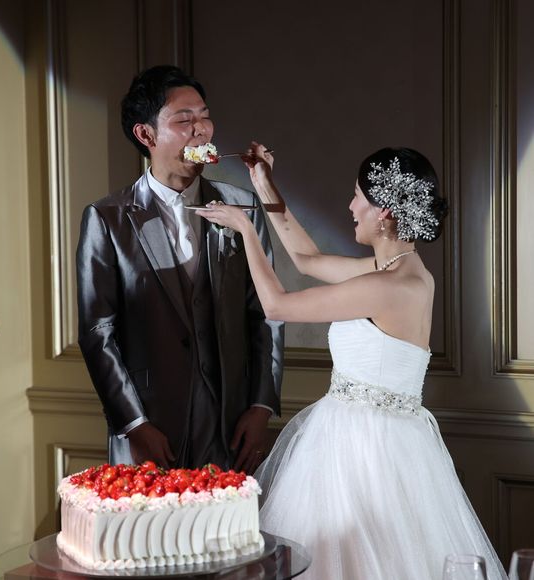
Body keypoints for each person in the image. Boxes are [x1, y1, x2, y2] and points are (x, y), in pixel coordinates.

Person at [197, 144, 508, 579]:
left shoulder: (388, 286)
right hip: (376, 439)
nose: (350, 206)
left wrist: (246, 230)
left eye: (358, 195)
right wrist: (264, 184)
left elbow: (276, 305)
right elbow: (305, 259)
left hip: (364, 453)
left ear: (384, 212)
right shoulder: (403, 272)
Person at [76, 66, 283, 472]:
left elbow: (266, 313)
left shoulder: (243, 206)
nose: (201, 130)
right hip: (150, 427)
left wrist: (261, 406)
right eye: (184, 120)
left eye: (205, 117)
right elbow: (97, 331)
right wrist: (134, 424)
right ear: (146, 135)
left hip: (232, 426)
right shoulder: (107, 218)